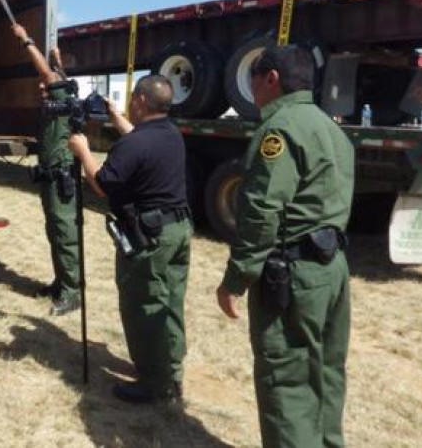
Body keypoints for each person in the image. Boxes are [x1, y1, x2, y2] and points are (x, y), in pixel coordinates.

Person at [215, 45, 354, 448]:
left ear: (271, 79)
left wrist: (236, 280)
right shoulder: (331, 128)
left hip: (293, 277)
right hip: (332, 267)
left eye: (253, 82)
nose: (252, 92)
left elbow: (261, 213)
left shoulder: (278, 130)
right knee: (326, 373)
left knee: (287, 380)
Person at [68, 75, 191, 404]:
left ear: (140, 101)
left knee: (144, 305)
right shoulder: (170, 133)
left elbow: (103, 184)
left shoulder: (134, 144)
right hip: (177, 230)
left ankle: (155, 384)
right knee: (170, 301)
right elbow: (140, 141)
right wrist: (115, 117)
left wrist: (83, 151)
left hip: (150, 237)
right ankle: (171, 368)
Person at [11, 23, 81, 317]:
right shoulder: (58, 102)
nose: (42, 87)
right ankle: (60, 283)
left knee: (64, 234)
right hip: (51, 179)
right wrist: (57, 58)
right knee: (54, 232)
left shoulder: (62, 98)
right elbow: (55, 75)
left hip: (60, 179)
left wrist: (26, 40)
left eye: (46, 84)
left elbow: (50, 76)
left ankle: (72, 293)